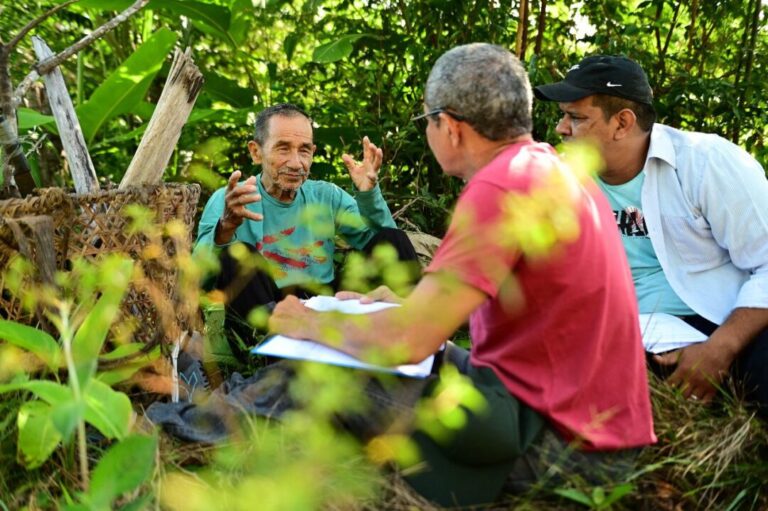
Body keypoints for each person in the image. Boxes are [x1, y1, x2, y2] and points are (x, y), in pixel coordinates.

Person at [269, 44, 656, 507]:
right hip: (596, 429)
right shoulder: (552, 169)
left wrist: (309, 322)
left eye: (427, 121)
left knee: (321, 368)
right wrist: (406, 306)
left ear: (449, 127)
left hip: (567, 448)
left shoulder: (501, 184)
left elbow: (409, 341)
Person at [534, 55, 768, 415]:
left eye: (576, 118)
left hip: (728, 319)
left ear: (622, 123)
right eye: (563, 116)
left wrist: (720, 348)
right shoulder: (563, 182)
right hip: (635, 332)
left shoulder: (704, 163)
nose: (561, 128)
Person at [196, 103, 417, 360]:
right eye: (283, 148)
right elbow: (197, 280)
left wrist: (369, 195)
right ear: (256, 152)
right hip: (266, 307)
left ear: (312, 153)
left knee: (393, 239)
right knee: (237, 255)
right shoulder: (231, 198)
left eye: (303, 150)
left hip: (325, 302)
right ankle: (274, 355)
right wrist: (225, 229)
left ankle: (414, 339)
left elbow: (388, 246)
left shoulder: (326, 195)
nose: (296, 163)